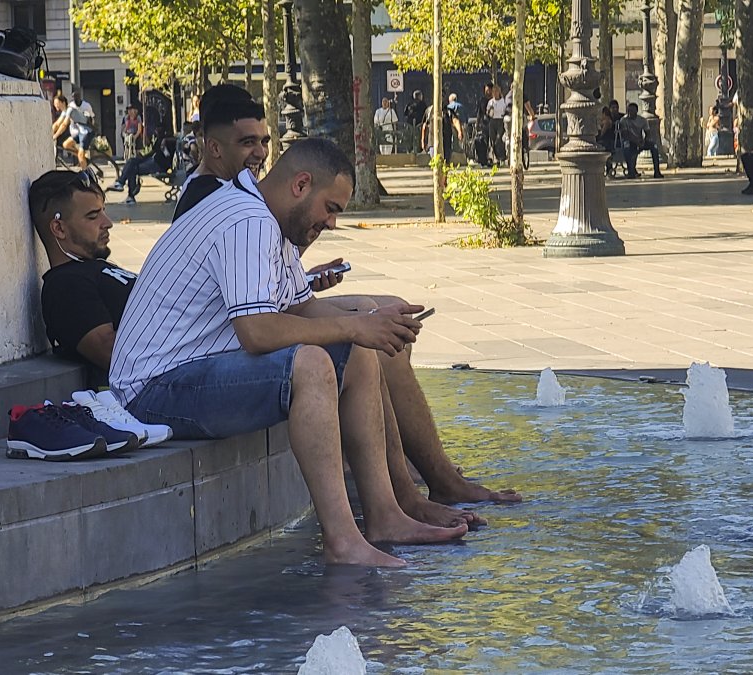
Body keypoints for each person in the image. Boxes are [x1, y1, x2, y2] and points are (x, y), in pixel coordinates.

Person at [109, 138, 469, 567]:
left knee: (354, 350)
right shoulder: (247, 222)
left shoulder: (266, 218)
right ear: (301, 185)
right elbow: (258, 332)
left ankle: (387, 515)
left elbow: (302, 308)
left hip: (190, 371)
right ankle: (342, 541)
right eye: (331, 208)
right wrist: (355, 323)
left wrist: (371, 318)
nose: (332, 224)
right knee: (313, 363)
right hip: (152, 390)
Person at [176, 85, 516, 523]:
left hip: (231, 333)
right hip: (207, 354)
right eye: (247, 143)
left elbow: (258, 281)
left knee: (381, 317)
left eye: (263, 141)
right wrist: (355, 326)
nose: (258, 153)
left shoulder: (251, 200)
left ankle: (411, 481)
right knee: (360, 340)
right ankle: (404, 487)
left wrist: (344, 304)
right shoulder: (222, 203)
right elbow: (248, 316)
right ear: (213, 147)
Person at [27, 170, 132, 383]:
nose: (107, 223)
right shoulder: (65, 285)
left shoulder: (94, 269)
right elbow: (113, 354)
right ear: (59, 228)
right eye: (93, 216)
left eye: (103, 211)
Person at [107, 135, 178, 204]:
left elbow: (165, 156)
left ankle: (125, 189)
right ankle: (122, 186)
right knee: (131, 161)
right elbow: (153, 151)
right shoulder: (160, 138)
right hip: (153, 160)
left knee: (132, 169)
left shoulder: (168, 140)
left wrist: (165, 143)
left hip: (159, 165)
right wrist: (142, 158)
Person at [617, 102, 665, 179]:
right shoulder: (624, 120)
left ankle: (657, 171)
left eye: (632, 111)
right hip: (629, 141)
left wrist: (644, 141)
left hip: (640, 141)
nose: (630, 113)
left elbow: (647, 133)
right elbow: (626, 134)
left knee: (654, 147)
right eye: (629, 111)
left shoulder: (642, 120)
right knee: (627, 148)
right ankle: (631, 171)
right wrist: (636, 141)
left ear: (636, 111)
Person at [421, 98, 463, 163]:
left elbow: (455, 120)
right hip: (432, 142)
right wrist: (423, 140)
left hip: (446, 141)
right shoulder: (429, 111)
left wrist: (459, 131)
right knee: (436, 161)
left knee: (446, 161)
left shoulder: (448, 111)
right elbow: (425, 126)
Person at [67, 90, 97, 171]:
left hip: (85, 132)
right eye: (73, 98)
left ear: (80, 97)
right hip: (77, 131)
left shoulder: (86, 106)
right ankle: (82, 157)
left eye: (77, 97)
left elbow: (92, 117)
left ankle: (85, 173)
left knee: (80, 155)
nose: (75, 100)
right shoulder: (71, 106)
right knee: (66, 145)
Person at [485, 85, 508, 165]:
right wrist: (489, 111)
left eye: (496, 91)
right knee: (493, 140)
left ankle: (502, 156)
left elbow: (506, 111)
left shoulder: (503, 101)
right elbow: (487, 113)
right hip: (492, 121)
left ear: (499, 92)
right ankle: (495, 158)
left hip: (500, 121)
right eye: (493, 92)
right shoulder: (490, 102)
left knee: (499, 139)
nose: (494, 93)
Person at [473, 82, 493, 166]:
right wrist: (477, 124)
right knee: (484, 141)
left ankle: (492, 158)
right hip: (484, 123)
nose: (487, 92)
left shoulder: (494, 100)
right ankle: (484, 158)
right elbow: (479, 113)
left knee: (493, 141)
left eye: (488, 90)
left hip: (493, 122)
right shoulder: (482, 100)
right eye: (486, 90)